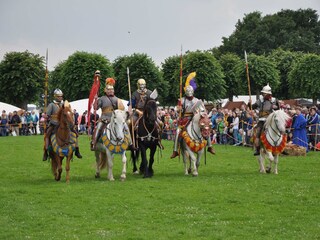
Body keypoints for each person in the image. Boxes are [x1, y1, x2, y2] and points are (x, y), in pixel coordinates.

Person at [170, 84, 215, 159]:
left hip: (195, 118)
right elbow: (177, 110)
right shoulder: (181, 100)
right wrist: (179, 109)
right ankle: (175, 151)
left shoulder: (197, 100)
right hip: (185, 119)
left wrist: (202, 113)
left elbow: (202, 109)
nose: (189, 94)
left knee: (206, 128)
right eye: (188, 92)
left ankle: (210, 146)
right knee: (178, 132)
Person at [90, 78, 135, 151]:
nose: (110, 91)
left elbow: (122, 111)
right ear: (106, 90)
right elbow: (95, 108)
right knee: (98, 128)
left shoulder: (117, 99)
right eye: (109, 90)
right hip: (104, 118)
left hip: (114, 119)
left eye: (112, 90)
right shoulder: (102, 99)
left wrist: (128, 112)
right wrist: (95, 100)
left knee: (126, 127)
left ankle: (130, 144)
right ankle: (94, 142)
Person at [42, 88, 82, 161]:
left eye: (61, 96)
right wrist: (46, 116)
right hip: (54, 123)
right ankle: (46, 151)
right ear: (55, 96)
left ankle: (77, 149)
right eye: (58, 96)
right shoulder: (52, 105)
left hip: (64, 123)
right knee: (47, 134)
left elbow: (69, 113)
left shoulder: (65, 104)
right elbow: (47, 114)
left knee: (75, 133)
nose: (60, 98)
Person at [248, 84, 279, 155]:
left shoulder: (274, 100)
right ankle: (257, 149)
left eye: (264, 93)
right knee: (258, 133)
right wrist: (249, 103)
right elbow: (252, 107)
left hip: (271, 119)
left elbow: (278, 109)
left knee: (280, 129)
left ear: (268, 93)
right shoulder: (260, 100)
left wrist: (275, 107)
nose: (263, 94)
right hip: (262, 120)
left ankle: (280, 145)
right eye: (263, 93)